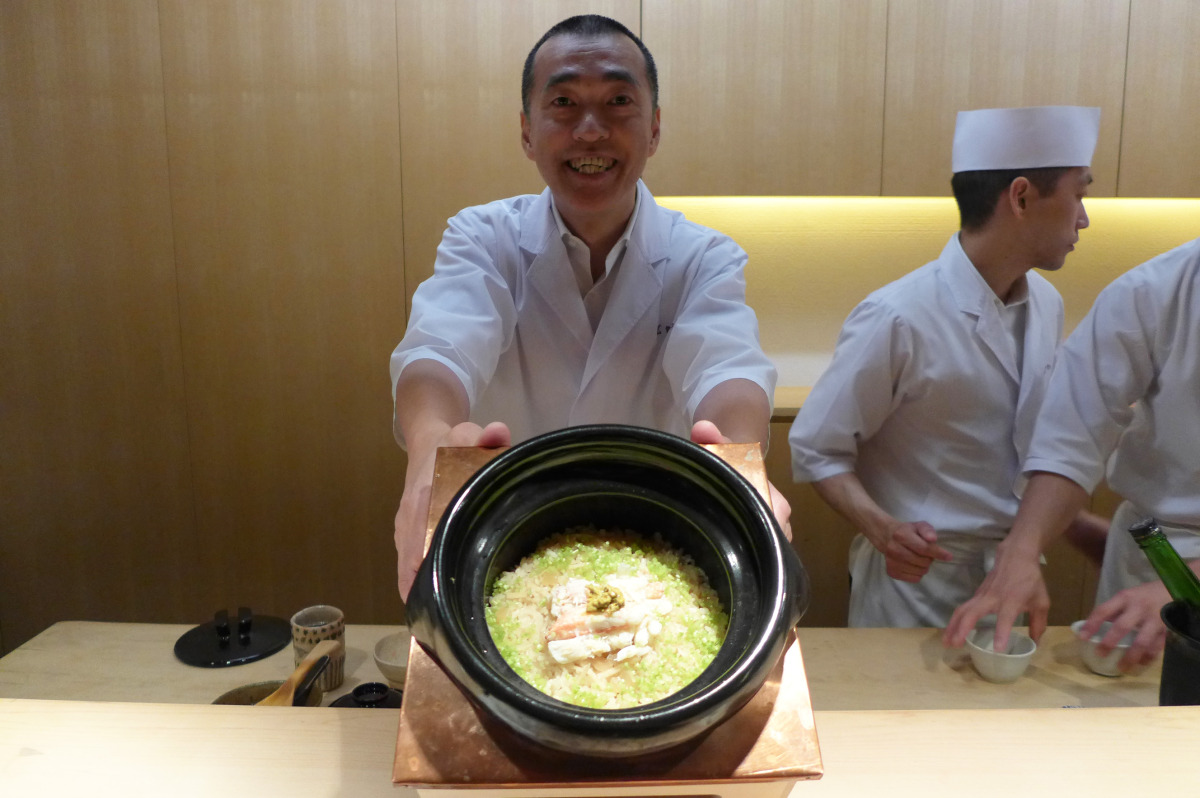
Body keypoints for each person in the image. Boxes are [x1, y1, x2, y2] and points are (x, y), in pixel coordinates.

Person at [389, 15, 783, 600]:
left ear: (653, 130)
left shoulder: (703, 256)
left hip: (658, 549)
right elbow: (439, 349)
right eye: (565, 102)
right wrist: (429, 447)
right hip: (505, 540)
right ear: (527, 131)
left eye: (619, 101)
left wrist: (739, 462)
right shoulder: (483, 237)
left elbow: (727, 369)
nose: (591, 131)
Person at [788, 105, 1102, 627]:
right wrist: (882, 528)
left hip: (1010, 576)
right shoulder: (898, 315)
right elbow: (816, 446)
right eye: (1080, 194)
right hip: (915, 585)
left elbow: (1021, 445)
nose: (1084, 218)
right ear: (1022, 197)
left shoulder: (1046, 303)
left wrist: (1065, 523)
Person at [945, 237, 1200, 668]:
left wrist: (1190, 581)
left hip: (1170, 576)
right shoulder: (1152, 290)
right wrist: (1022, 548)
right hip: (1152, 564)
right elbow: (1072, 435)